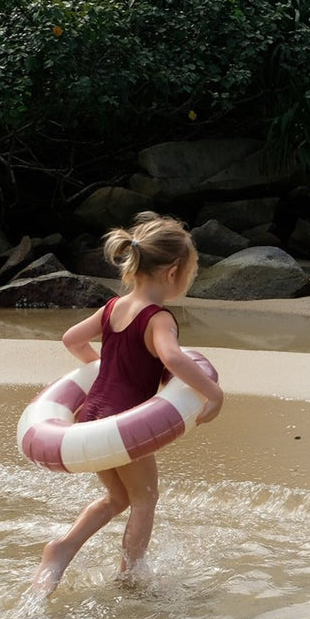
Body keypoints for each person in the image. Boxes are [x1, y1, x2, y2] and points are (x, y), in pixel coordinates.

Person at [33, 213, 223, 595]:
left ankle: (62, 547)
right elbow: (172, 358)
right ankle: (130, 578)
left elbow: (71, 339)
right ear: (172, 273)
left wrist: (102, 367)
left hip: (91, 418)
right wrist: (214, 394)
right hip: (123, 426)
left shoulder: (113, 307)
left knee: (118, 497)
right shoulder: (159, 318)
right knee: (145, 498)